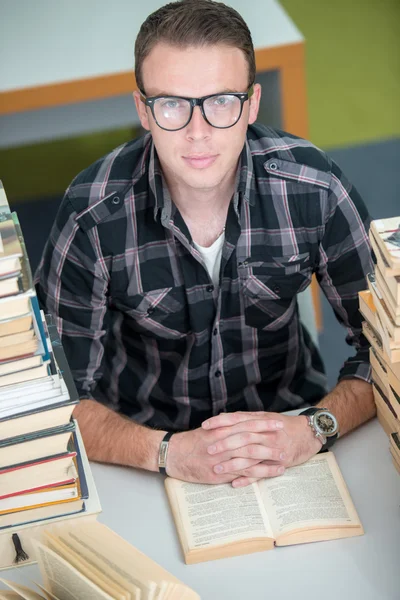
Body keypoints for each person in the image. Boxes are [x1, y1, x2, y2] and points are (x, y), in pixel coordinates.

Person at [35, 0, 375, 488]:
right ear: (143, 110)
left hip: (291, 423)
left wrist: (315, 427)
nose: (198, 133)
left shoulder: (314, 188)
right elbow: (54, 397)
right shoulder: (91, 215)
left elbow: (389, 350)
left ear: (252, 104)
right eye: (172, 103)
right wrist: (167, 452)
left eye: (221, 102)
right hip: (143, 442)